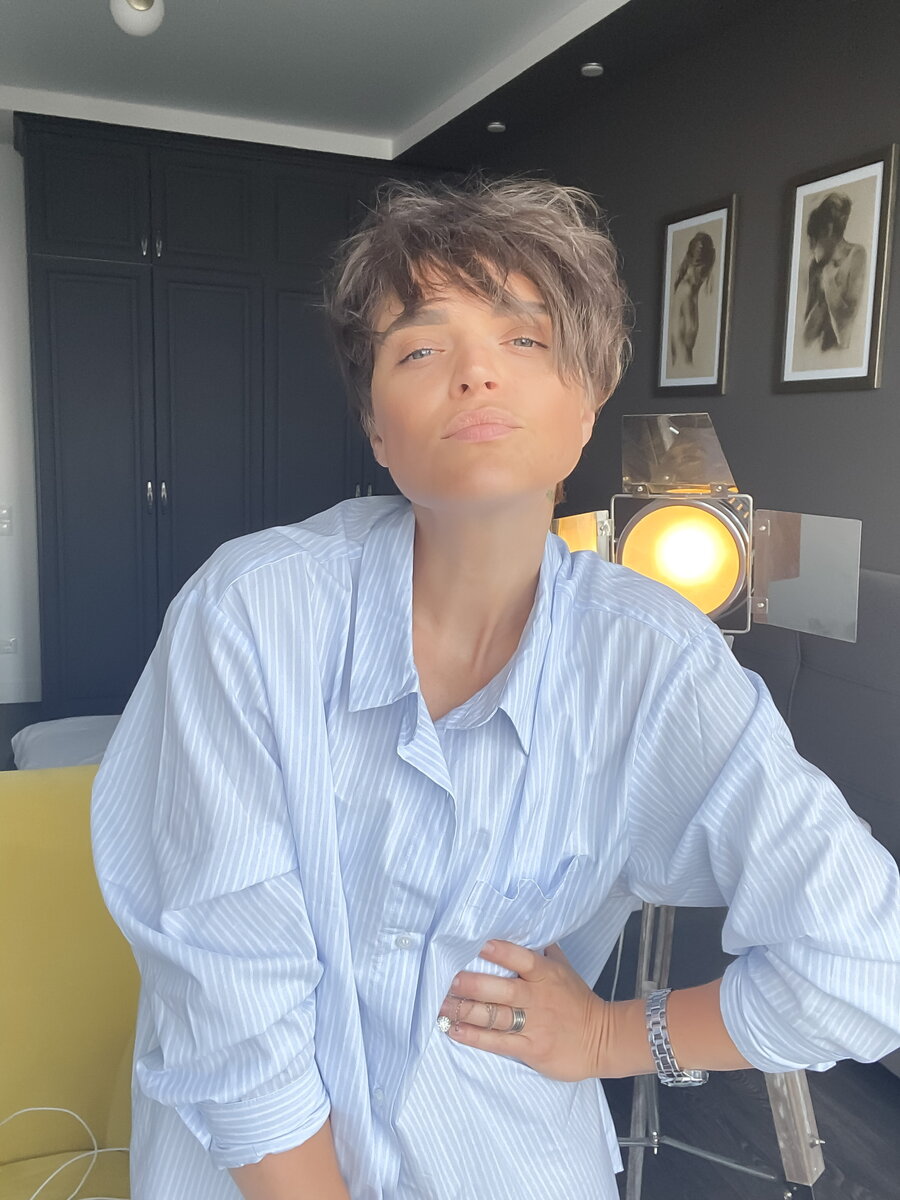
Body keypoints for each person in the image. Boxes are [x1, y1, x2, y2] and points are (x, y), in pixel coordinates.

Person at [90, 175, 900, 1200]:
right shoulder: (251, 612)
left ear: (585, 408)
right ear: (377, 429)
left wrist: (614, 1034)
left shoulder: (654, 663)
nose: (476, 371)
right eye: (419, 350)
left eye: (524, 338)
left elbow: (864, 959)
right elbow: (227, 1002)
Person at [802, 191, 867, 352]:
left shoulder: (857, 255)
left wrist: (829, 283)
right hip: (817, 352)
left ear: (828, 231)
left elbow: (846, 327)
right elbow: (806, 336)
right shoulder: (815, 266)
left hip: (840, 351)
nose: (812, 250)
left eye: (814, 240)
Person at [669, 229, 715, 367]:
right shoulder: (684, 288)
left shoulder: (699, 283)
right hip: (682, 351)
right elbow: (677, 330)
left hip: (687, 349)